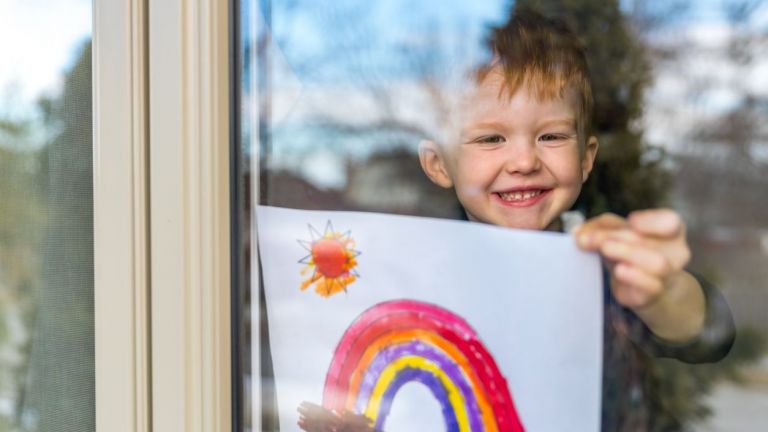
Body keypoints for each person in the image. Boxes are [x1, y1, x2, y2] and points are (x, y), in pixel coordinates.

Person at [415, 8, 735, 431]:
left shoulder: (605, 261)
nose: (525, 161)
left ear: (585, 160)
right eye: (491, 138)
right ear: (439, 165)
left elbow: (708, 334)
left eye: (551, 136)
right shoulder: (417, 272)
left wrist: (663, 292)